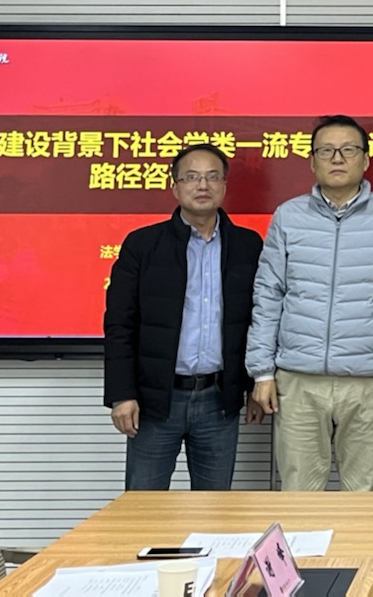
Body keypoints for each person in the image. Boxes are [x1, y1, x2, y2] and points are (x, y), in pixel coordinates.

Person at [246, 114, 373, 491]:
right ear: (312, 161)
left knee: (363, 496)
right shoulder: (289, 216)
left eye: (348, 150)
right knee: (298, 494)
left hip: (369, 382)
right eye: (326, 150)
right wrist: (262, 373)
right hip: (298, 380)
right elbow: (268, 296)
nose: (338, 158)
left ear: (366, 159)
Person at [103, 143, 264, 490]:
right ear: (174, 187)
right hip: (155, 401)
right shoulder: (142, 245)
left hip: (219, 400)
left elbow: (259, 320)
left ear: (224, 185)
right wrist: (122, 394)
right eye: (191, 177)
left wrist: (255, 385)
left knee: (214, 509)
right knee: (143, 506)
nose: (202, 185)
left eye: (212, 177)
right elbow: (119, 325)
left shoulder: (248, 246)